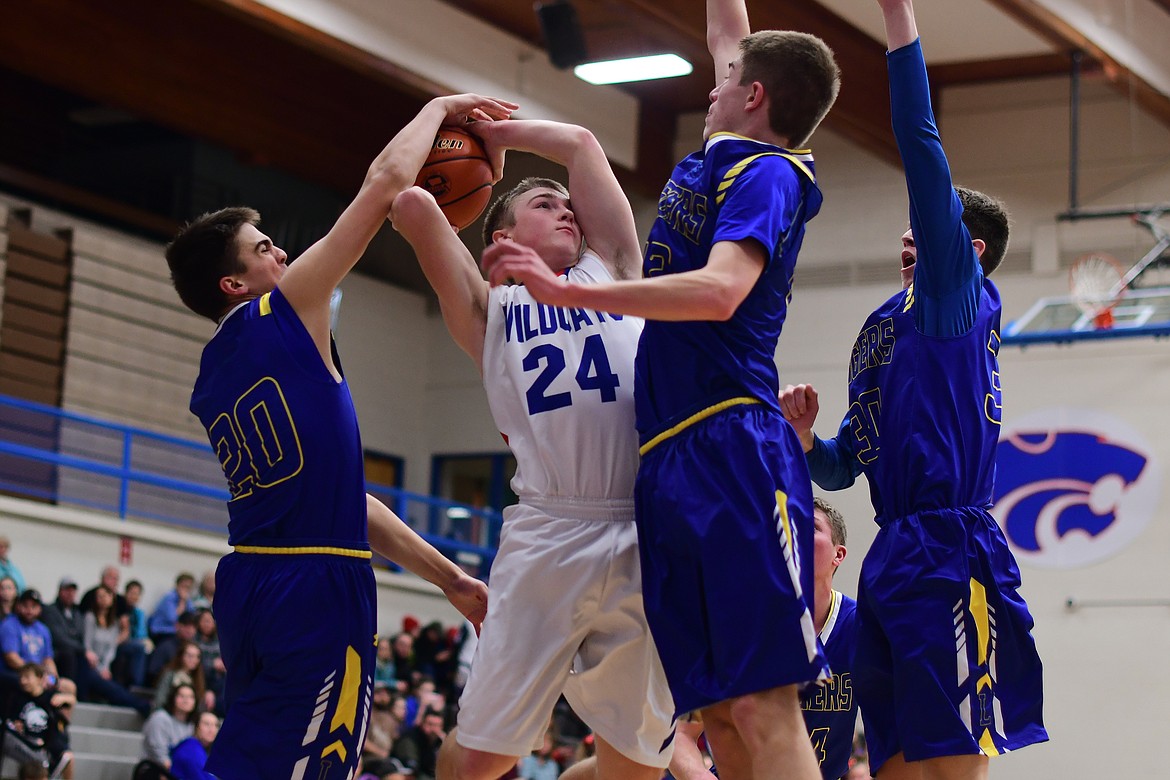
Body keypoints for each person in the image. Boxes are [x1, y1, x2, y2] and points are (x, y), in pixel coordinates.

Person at [479, 2, 839, 779]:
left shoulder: (767, 171)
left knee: (761, 705)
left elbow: (718, 290)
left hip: (732, 443)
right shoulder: (724, 140)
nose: (715, 79)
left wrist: (570, 295)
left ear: (756, 98)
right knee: (716, 715)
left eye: (731, 76)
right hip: (668, 460)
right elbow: (725, 30)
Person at [163, 91, 513, 779]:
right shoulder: (284, 312)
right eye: (265, 249)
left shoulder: (213, 373)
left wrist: (452, 580)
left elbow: (344, 500)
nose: (285, 252)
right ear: (236, 283)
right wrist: (437, 109)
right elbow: (386, 186)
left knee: (258, 755)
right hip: (315, 585)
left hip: (252, 576)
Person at [777, 2, 1047, 777]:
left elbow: (922, 145)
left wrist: (897, 19)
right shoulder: (882, 327)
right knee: (893, 754)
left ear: (969, 249)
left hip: (949, 549)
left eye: (926, 225)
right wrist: (805, 443)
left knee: (956, 755)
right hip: (891, 548)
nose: (909, 231)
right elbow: (843, 469)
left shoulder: (953, 300)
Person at [390, 109, 674, 779]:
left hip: (645, 528)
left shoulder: (615, 270)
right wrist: (446, 121)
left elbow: (582, 142)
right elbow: (407, 201)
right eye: (547, 205)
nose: (568, 214)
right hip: (550, 530)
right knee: (484, 756)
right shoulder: (489, 309)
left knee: (634, 763)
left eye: (571, 207)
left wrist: (504, 133)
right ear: (501, 232)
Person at [801, 498, 858, 780]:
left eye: (809, 526)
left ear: (839, 554)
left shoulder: (862, 625)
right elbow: (682, 737)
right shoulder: (749, 621)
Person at [1, 662, 74, 779]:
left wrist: (64, 697)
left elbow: (71, 700)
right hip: (26, 744)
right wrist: (16, 725)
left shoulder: (50, 697)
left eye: (27, 677)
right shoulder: (18, 697)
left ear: (39, 678)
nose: (23, 681)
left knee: (67, 757)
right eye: (21, 677)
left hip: (44, 745)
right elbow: (12, 722)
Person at [1, 590, 73, 697]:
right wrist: (36, 675)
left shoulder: (43, 629)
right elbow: (12, 658)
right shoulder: (9, 625)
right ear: (18, 606)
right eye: (25, 606)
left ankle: (56, 714)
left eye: (33, 606)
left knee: (69, 687)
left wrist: (53, 678)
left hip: (39, 676)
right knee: (34, 683)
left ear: (39, 609)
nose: (29, 610)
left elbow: (48, 659)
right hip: (17, 673)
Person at [141, 682, 196, 771]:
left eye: (191, 697)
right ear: (173, 698)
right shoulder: (160, 718)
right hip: (154, 769)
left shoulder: (192, 725)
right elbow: (158, 753)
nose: (186, 700)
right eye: (181, 696)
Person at [39, 579, 85, 683]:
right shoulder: (50, 610)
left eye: (72, 591)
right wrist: (82, 649)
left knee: (84, 660)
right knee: (69, 655)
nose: (70, 594)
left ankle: (77, 692)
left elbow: (80, 634)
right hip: (57, 652)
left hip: (75, 652)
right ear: (60, 591)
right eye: (67, 590)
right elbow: (58, 638)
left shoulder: (77, 613)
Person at [391, 708, 445, 780]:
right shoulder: (410, 739)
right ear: (422, 723)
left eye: (437, 725)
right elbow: (411, 768)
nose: (433, 729)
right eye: (430, 724)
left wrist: (446, 743)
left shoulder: (439, 741)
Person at [169, 710, 220, 780]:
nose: (212, 729)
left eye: (216, 725)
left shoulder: (195, 746)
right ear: (196, 727)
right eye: (207, 724)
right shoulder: (192, 749)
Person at [147, 573, 194, 645]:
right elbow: (173, 619)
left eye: (188, 587)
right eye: (183, 586)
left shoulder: (188, 600)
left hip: (177, 632)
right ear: (177, 585)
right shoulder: (169, 598)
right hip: (161, 631)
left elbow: (191, 618)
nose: (185, 589)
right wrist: (182, 601)